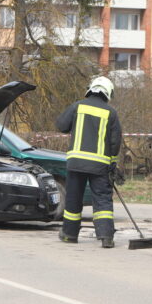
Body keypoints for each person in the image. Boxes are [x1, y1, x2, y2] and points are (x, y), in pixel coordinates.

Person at [56, 76, 122, 248]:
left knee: (73, 198)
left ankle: (69, 235)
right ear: (108, 93)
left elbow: (61, 125)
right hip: (99, 165)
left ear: (90, 89)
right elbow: (115, 143)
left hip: (76, 163)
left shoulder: (77, 106)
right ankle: (106, 236)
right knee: (102, 200)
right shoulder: (110, 113)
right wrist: (112, 163)